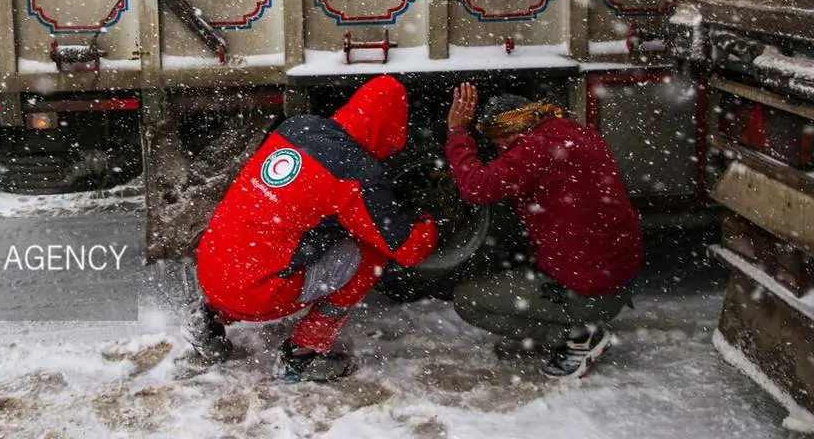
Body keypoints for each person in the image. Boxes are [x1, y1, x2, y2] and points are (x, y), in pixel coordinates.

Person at [188, 74, 439, 382]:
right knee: (372, 252)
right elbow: (409, 249)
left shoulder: (297, 128)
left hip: (211, 269)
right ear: (393, 129)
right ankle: (303, 353)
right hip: (255, 296)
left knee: (265, 239)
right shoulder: (355, 171)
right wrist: (430, 218)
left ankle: (209, 315)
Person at [443, 82, 643, 380]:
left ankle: (580, 335)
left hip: (590, 285)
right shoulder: (572, 132)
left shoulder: (535, 150)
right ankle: (572, 318)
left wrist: (457, 132)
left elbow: (476, 186)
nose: (500, 150)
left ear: (513, 129)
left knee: (468, 301)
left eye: (500, 141)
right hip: (614, 273)